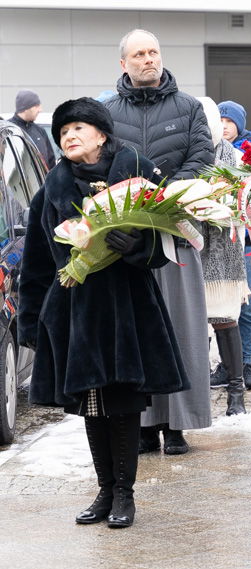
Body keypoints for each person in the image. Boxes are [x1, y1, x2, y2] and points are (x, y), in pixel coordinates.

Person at [18, 97, 190, 528]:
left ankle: (125, 496)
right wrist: (32, 320)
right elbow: (38, 261)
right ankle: (104, 491)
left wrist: (138, 248)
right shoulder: (52, 188)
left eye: (78, 128)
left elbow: (170, 240)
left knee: (124, 402)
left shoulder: (137, 171)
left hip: (128, 308)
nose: (69, 137)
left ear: (101, 134)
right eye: (62, 133)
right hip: (75, 310)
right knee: (91, 403)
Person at [103, 29, 215, 455]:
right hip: (128, 240)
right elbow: (103, 162)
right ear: (123, 63)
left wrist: (165, 195)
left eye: (153, 52)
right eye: (139, 54)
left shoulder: (188, 108)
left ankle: (178, 424)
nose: (148, 59)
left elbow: (202, 160)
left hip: (177, 232)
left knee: (183, 330)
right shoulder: (106, 111)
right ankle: (143, 424)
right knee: (136, 331)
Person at [197, 96, 247, 415]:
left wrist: (225, 208)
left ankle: (236, 393)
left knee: (226, 320)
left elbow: (247, 207)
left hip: (224, 253)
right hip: (191, 249)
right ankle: (196, 394)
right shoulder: (187, 158)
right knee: (192, 325)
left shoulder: (236, 159)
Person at [209, 100, 251, 390]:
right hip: (216, 239)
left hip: (244, 240)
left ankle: (247, 363)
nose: (225, 125)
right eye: (220, 120)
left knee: (245, 302)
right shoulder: (207, 151)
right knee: (219, 305)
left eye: (230, 121)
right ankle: (227, 365)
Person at [9, 89, 56, 168]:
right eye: (36, 106)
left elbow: (51, 162)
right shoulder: (8, 130)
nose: (40, 110)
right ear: (26, 108)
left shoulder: (40, 131)